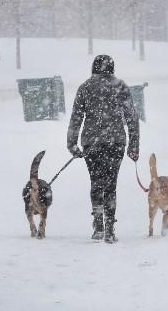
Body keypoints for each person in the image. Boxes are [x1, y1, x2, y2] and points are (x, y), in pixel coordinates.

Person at [67, 54, 140, 243]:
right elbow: (132, 117)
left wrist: (72, 143)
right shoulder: (120, 86)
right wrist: (133, 145)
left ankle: (98, 225)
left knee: (96, 182)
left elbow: (76, 117)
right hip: (115, 142)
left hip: (92, 143)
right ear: (112, 68)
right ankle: (110, 228)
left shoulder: (85, 87)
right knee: (111, 185)